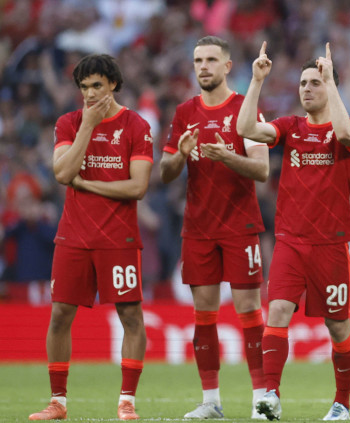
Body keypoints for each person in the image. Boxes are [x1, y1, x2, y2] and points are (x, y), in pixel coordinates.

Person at [236, 42, 350, 421]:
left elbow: (345, 135)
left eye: (316, 82)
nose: (307, 88)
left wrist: (333, 82)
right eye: (303, 83)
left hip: (331, 243)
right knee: (276, 310)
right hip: (290, 240)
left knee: (337, 326)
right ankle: (271, 396)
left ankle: (341, 403)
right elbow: (245, 128)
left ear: (331, 87)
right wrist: (256, 81)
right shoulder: (290, 127)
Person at [28, 54, 153, 421]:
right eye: (84, 87)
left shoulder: (136, 125)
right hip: (74, 236)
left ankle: (127, 401)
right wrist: (88, 126)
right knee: (59, 316)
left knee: (131, 316)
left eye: (97, 85)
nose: (90, 93)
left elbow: (138, 187)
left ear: (113, 84)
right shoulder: (69, 123)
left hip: (118, 238)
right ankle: (58, 402)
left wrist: (87, 184)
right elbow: (62, 173)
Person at [159, 36, 269, 420]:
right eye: (197, 60)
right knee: (203, 314)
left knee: (249, 310)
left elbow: (262, 170)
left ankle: (262, 399)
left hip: (240, 225)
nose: (203, 66)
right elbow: (165, 172)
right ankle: (211, 401)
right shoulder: (184, 112)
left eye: (210, 60)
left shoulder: (244, 108)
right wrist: (181, 156)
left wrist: (227, 156)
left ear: (227, 66)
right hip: (199, 228)